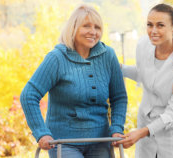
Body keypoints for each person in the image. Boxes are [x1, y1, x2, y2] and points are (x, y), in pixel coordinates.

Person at [20, 5, 127, 158]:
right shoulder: (57, 58)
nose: (93, 32)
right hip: (64, 143)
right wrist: (41, 133)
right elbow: (29, 95)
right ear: (73, 28)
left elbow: (119, 97)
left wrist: (116, 127)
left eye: (97, 27)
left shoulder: (108, 56)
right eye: (86, 26)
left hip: (101, 141)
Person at [116, 3, 173, 158]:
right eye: (149, 25)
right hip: (146, 121)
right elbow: (144, 75)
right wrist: (120, 69)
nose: (153, 31)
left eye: (160, 25)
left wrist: (141, 133)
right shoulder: (142, 45)